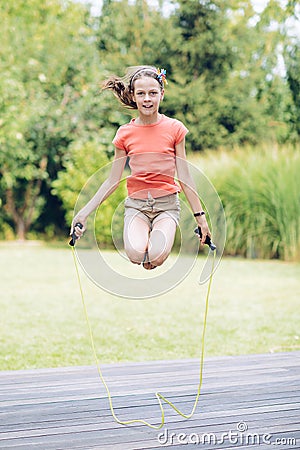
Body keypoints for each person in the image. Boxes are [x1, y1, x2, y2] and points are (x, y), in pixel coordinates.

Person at [71, 65, 211, 270]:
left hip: (167, 207)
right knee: (136, 255)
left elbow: (185, 177)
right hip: (137, 206)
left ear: (162, 94)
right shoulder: (125, 133)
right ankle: (145, 247)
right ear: (133, 96)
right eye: (141, 93)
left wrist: (201, 218)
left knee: (156, 256)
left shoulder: (175, 129)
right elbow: (112, 180)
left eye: (153, 93)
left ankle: (155, 250)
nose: (147, 98)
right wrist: (83, 212)